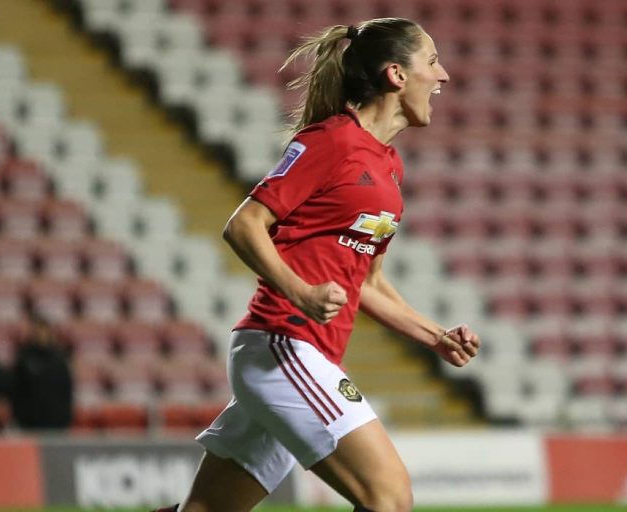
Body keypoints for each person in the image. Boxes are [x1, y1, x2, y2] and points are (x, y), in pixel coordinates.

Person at [163, 18, 480, 512]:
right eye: (433, 61)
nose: (443, 76)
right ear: (396, 74)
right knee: (389, 497)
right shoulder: (330, 141)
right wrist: (300, 292)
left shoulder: (388, 165)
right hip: (283, 343)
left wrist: (434, 336)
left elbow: (366, 282)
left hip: (305, 353)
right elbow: (244, 225)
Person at [10, 313, 74, 430]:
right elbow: (17, 390)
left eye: (44, 331)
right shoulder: (24, 358)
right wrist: (19, 417)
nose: (41, 335)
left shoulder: (59, 358)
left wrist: (66, 417)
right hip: (30, 423)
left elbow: (66, 388)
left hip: (57, 423)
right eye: (38, 331)